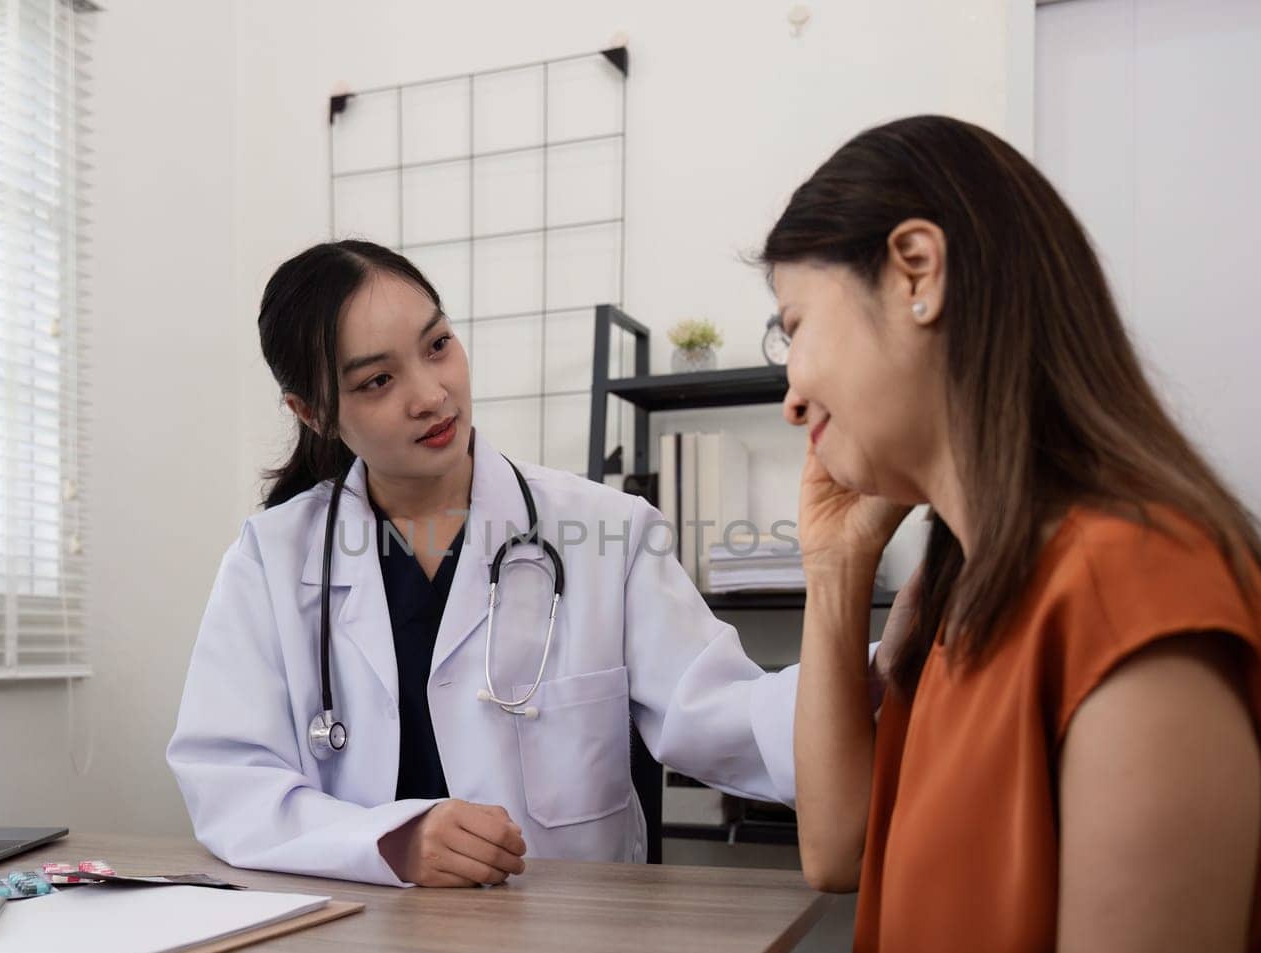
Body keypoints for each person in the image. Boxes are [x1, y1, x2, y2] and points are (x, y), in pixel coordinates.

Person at [768, 115, 1261, 953]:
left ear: (918, 271)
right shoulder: (953, 584)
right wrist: (837, 571)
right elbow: (838, 850)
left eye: (792, 325)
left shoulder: (1135, 580)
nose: (791, 392)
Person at [166, 240, 802, 889]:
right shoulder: (270, 560)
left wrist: (877, 688)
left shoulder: (609, 532)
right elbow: (228, 781)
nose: (431, 393)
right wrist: (388, 840)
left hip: (567, 951)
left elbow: (718, 712)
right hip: (354, 946)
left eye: (437, 344)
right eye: (377, 380)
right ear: (314, 411)